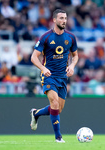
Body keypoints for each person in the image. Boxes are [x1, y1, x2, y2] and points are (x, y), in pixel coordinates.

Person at [30, 9, 78, 143]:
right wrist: (43, 68)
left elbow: (75, 56)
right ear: (54, 20)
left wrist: (72, 66)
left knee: (58, 109)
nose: (64, 21)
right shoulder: (45, 37)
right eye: (61, 18)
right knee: (54, 103)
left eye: (65, 18)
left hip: (63, 77)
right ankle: (58, 137)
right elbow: (34, 57)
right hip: (49, 76)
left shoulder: (71, 37)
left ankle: (36, 113)